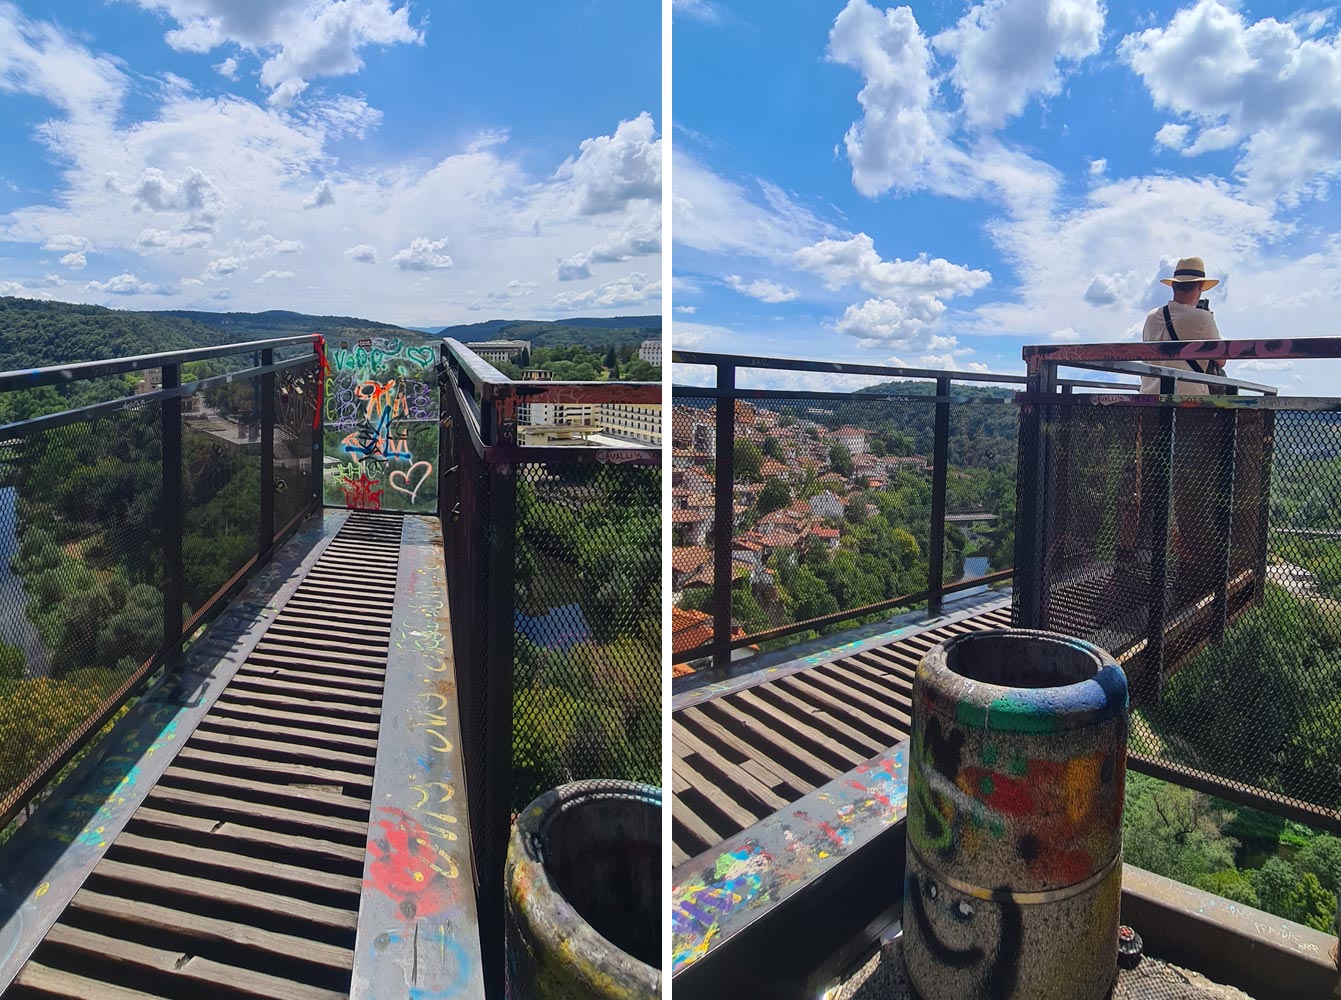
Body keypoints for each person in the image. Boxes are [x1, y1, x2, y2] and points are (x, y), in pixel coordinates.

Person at [1140, 256, 1222, 394]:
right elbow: (1221, 360)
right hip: (1189, 404)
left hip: (1150, 399)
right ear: (1200, 286)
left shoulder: (1151, 316)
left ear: (1173, 285)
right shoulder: (1203, 318)